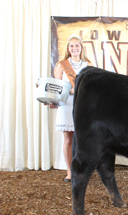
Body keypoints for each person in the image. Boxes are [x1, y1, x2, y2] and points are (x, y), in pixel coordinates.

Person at [49, 34, 93, 182]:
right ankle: (69, 171)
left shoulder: (88, 65)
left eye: (77, 46)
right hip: (66, 105)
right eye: (71, 46)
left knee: (82, 141)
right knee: (68, 140)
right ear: (68, 48)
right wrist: (52, 100)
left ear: (81, 48)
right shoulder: (62, 65)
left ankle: (81, 170)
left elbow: (92, 89)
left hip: (82, 106)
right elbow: (55, 87)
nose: (74, 48)